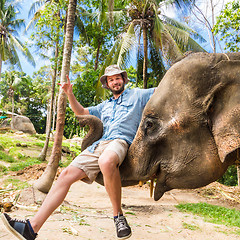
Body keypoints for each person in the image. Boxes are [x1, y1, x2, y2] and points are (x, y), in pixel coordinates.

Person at [1, 65, 155, 240]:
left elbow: (163, 90)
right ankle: (30, 228)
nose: (115, 82)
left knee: (106, 161)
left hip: (120, 142)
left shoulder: (138, 95)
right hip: (98, 145)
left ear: (124, 79)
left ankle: (118, 217)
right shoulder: (104, 106)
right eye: (111, 79)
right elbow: (80, 112)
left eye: (117, 78)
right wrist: (69, 93)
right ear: (107, 83)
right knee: (65, 174)